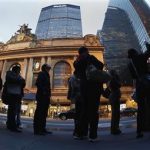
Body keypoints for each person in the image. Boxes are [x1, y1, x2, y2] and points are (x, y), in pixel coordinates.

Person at [74, 46, 104, 142]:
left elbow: (77, 74)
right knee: (94, 112)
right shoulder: (90, 58)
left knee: (84, 111)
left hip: (83, 88)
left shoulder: (77, 62)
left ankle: (80, 133)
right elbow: (101, 65)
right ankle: (93, 136)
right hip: (93, 87)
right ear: (86, 51)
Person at [128, 46, 150, 138]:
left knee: (140, 109)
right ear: (135, 52)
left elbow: (133, 77)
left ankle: (139, 131)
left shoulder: (130, 64)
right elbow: (148, 53)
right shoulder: (140, 57)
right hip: (146, 83)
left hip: (138, 84)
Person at [4, 65, 25, 132]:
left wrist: (20, 80)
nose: (19, 71)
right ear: (15, 70)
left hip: (17, 95)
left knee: (14, 111)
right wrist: (19, 80)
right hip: (12, 94)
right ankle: (12, 126)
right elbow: (14, 80)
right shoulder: (10, 74)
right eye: (19, 70)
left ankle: (11, 124)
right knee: (12, 111)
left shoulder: (18, 76)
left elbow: (23, 83)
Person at [33, 64, 52, 135]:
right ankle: (37, 130)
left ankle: (42, 128)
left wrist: (49, 94)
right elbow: (38, 83)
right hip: (42, 96)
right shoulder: (42, 73)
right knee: (40, 112)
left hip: (46, 96)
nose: (50, 68)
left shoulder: (47, 75)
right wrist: (43, 91)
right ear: (45, 68)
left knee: (44, 113)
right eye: (48, 67)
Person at [67, 72, 82, 138]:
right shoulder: (76, 78)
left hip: (74, 98)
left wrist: (69, 96)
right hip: (78, 98)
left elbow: (70, 89)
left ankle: (76, 132)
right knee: (79, 115)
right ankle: (77, 132)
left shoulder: (71, 78)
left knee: (76, 115)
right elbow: (74, 88)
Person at [109, 70, 121, 135]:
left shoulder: (111, 80)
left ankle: (115, 128)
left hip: (114, 97)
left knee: (115, 114)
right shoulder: (113, 80)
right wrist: (117, 77)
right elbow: (119, 84)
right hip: (115, 98)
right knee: (115, 114)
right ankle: (114, 129)